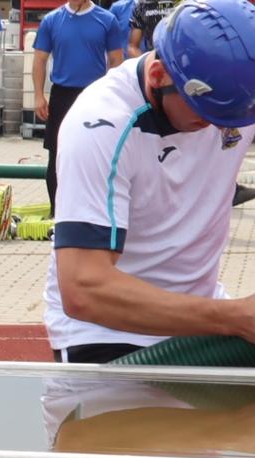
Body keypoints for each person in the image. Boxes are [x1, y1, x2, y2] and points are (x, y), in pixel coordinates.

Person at [47, 0, 255, 364]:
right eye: (208, 115)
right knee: (155, 423)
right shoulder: (99, 125)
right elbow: (84, 289)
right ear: (158, 75)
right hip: (109, 330)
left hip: (208, 314)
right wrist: (234, 317)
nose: (225, 127)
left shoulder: (237, 94)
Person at [31, 0, 122, 210]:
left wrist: (112, 96)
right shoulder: (51, 21)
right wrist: (38, 95)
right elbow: (39, 60)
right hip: (62, 94)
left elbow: (116, 60)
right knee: (56, 153)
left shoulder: (107, 20)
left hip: (94, 95)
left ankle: (93, 208)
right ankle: (57, 210)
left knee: (97, 152)